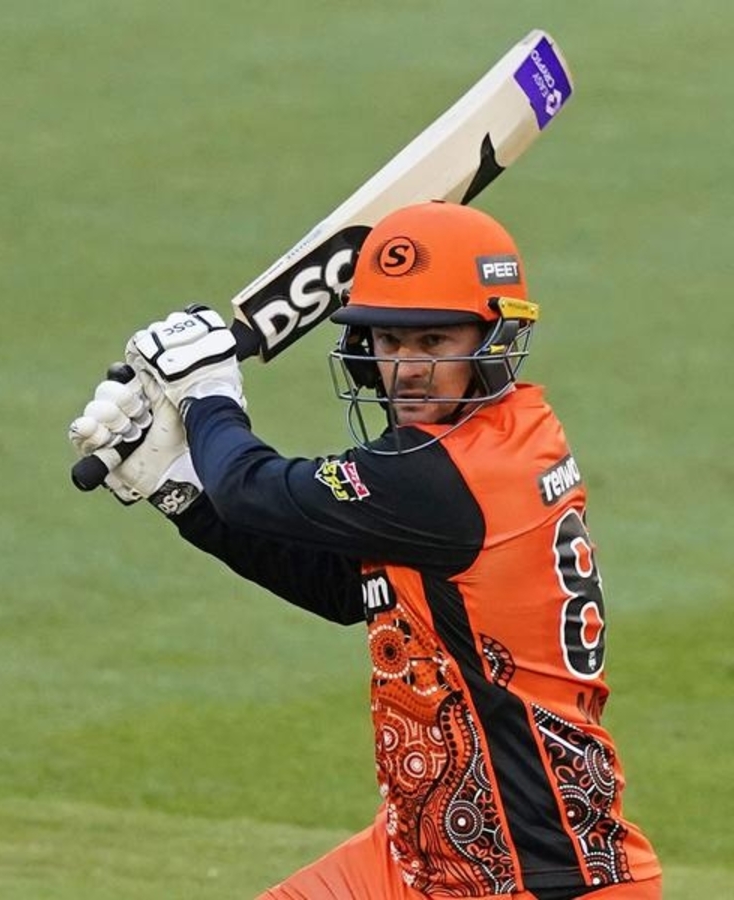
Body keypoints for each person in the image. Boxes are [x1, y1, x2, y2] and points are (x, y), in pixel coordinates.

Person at [68, 201, 662, 900]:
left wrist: (207, 392)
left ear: (495, 339)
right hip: (417, 859)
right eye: (388, 339)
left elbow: (250, 489)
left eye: (433, 341)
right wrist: (178, 488)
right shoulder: (493, 442)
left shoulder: (450, 477)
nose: (406, 368)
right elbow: (343, 590)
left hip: (533, 879)